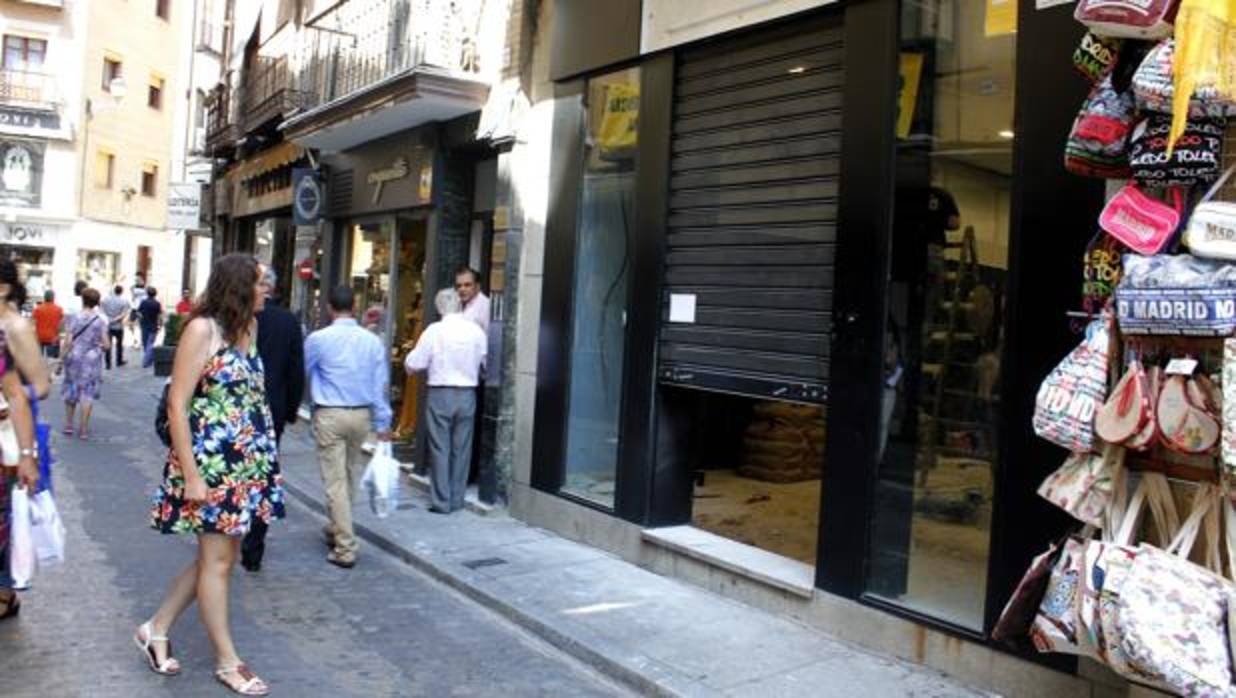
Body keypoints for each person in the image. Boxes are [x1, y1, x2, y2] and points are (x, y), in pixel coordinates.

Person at [145, 254, 282, 696]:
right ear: (240, 286)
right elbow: (177, 406)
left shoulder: (250, 328)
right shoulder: (202, 329)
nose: (268, 290)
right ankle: (227, 661)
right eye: (261, 283)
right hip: (210, 465)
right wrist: (191, 475)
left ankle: (156, 627)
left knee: (217, 559)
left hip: (245, 466)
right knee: (219, 562)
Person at [304, 285, 391, 568]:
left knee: (335, 481)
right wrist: (383, 421)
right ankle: (336, 526)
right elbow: (380, 384)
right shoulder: (372, 342)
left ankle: (345, 547)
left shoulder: (318, 339)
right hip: (361, 416)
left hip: (330, 414)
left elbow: (305, 369)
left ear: (329, 308)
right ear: (354, 306)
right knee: (348, 475)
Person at [240, 269, 304, 573]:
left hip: (240, 408)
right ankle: (253, 547)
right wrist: (290, 409)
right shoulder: (287, 322)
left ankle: (230, 532)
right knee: (262, 477)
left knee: (238, 473)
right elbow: (295, 370)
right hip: (271, 410)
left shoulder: (235, 318)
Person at [403, 288, 486, 514]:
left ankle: (441, 501)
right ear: (459, 305)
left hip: (441, 393)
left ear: (440, 307)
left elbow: (416, 362)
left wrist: (407, 364)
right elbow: (485, 361)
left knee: (440, 447)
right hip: (468, 393)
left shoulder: (434, 330)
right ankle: (457, 498)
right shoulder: (475, 331)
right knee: (462, 448)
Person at [0, 258, 44, 622]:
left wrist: (6, 400)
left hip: (7, 439)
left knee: (4, 517)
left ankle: (5, 591)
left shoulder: (15, 328)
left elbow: (40, 387)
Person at [60, 288, 107, 439]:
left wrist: (61, 360)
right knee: (87, 393)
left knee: (72, 388)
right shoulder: (100, 321)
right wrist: (97, 345)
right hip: (91, 360)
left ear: (83, 299)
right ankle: (84, 429)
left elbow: (67, 341)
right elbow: (106, 345)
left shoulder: (73, 317)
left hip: (74, 357)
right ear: (96, 302)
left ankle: (68, 425)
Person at [101, 284, 130, 369]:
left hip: (108, 325)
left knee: (108, 344)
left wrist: (108, 319)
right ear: (121, 291)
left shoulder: (105, 300)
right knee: (119, 344)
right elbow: (124, 313)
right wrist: (115, 319)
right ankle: (119, 361)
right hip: (118, 326)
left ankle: (108, 364)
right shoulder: (124, 301)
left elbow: (101, 311)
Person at [455, 266, 490, 334]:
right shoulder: (455, 304)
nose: (462, 289)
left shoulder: (485, 306)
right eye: (459, 286)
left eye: (467, 285)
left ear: (477, 286)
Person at [32, 290, 63, 361]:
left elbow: (33, 324)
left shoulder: (37, 309)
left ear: (44, 297)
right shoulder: (59, 309)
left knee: (38, 360)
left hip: (39, 337)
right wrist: (58, 335)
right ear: (53, 298)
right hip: (53, 338)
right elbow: (61, 324)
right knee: (52, 361)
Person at [139, 287, 162, 368]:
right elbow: (159, 316)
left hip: (144, 324)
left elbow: (139, 313)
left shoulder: (143, 302)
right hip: (153, 325)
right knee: (150, 343)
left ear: (147, 293)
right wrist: (160, 325)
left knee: (145, 343)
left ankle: (146, 360)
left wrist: (141, 319)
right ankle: (148, 360)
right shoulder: (157, 304)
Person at [129, 275, 147, 349]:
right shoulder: (133, 287)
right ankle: (134, 339)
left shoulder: (146, 288)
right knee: (131, 324)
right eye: (136, 279)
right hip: (134, 307)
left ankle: (140, 341)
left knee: (141, 325)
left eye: (139, 279)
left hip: (141, 308)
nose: (138, 281)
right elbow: (132, 297)